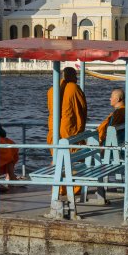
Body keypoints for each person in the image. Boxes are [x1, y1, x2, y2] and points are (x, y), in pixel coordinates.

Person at [46, 66, 87, 195]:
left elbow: (50, 110)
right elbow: (82, 108)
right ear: (70, 76)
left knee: (57, 159)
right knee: (73, 159)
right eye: (75, 76)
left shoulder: (51, 90)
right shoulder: (74, 88)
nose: (76, 78)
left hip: (54, 131)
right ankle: (73, 188)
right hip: (70, 130)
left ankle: (58, 188)